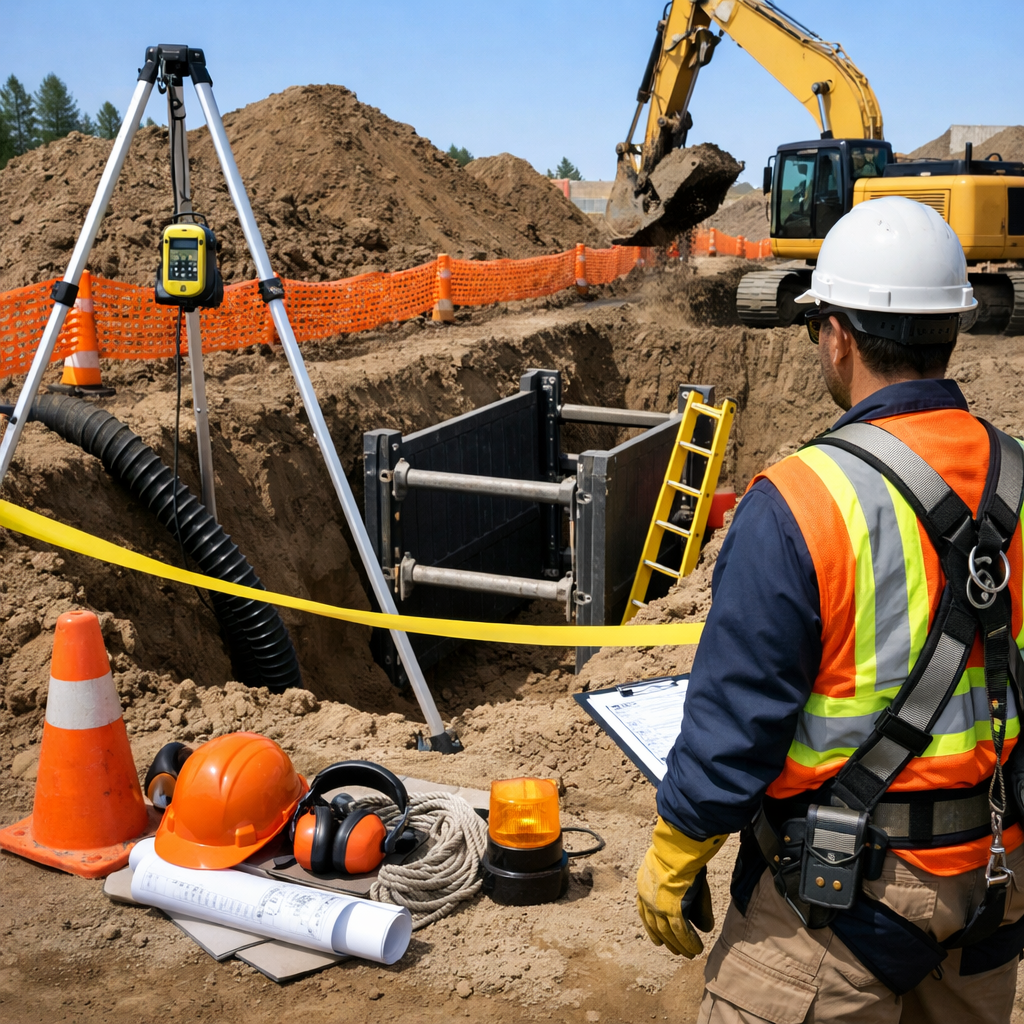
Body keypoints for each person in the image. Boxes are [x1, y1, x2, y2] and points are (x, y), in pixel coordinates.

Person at [636, 196, 1024, 1023]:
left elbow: (740, 713)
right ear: (951, 326)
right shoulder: (1019, 480)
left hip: (837, 901)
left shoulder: (800, 499)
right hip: (993, 880)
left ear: (838, 335)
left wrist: (677, 845)